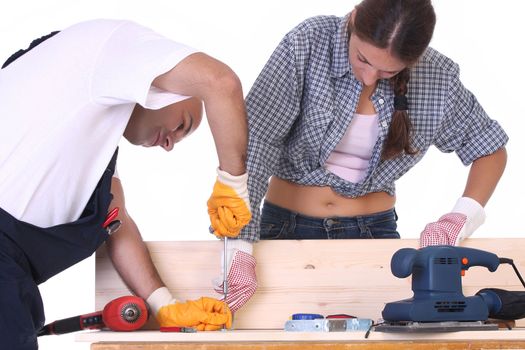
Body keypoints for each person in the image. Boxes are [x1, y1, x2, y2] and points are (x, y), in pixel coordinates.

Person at [0, 19, 253, 350]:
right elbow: (221, 82)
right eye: (183, 125)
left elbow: (117, 221)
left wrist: (166, 306)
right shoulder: (111, 47)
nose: (170, 144)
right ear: (167, 91)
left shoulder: (88, 131)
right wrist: (233, 183)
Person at [237, 0, 508, 251]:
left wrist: (461, 217)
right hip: (285, 228)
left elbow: (488, 149)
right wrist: (240, 243)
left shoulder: (437, 76)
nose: (369, 79)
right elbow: (258, 139)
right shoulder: (308, 41)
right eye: (362, 59)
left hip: (374, 233)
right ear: (354, 19)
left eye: (388, 71)